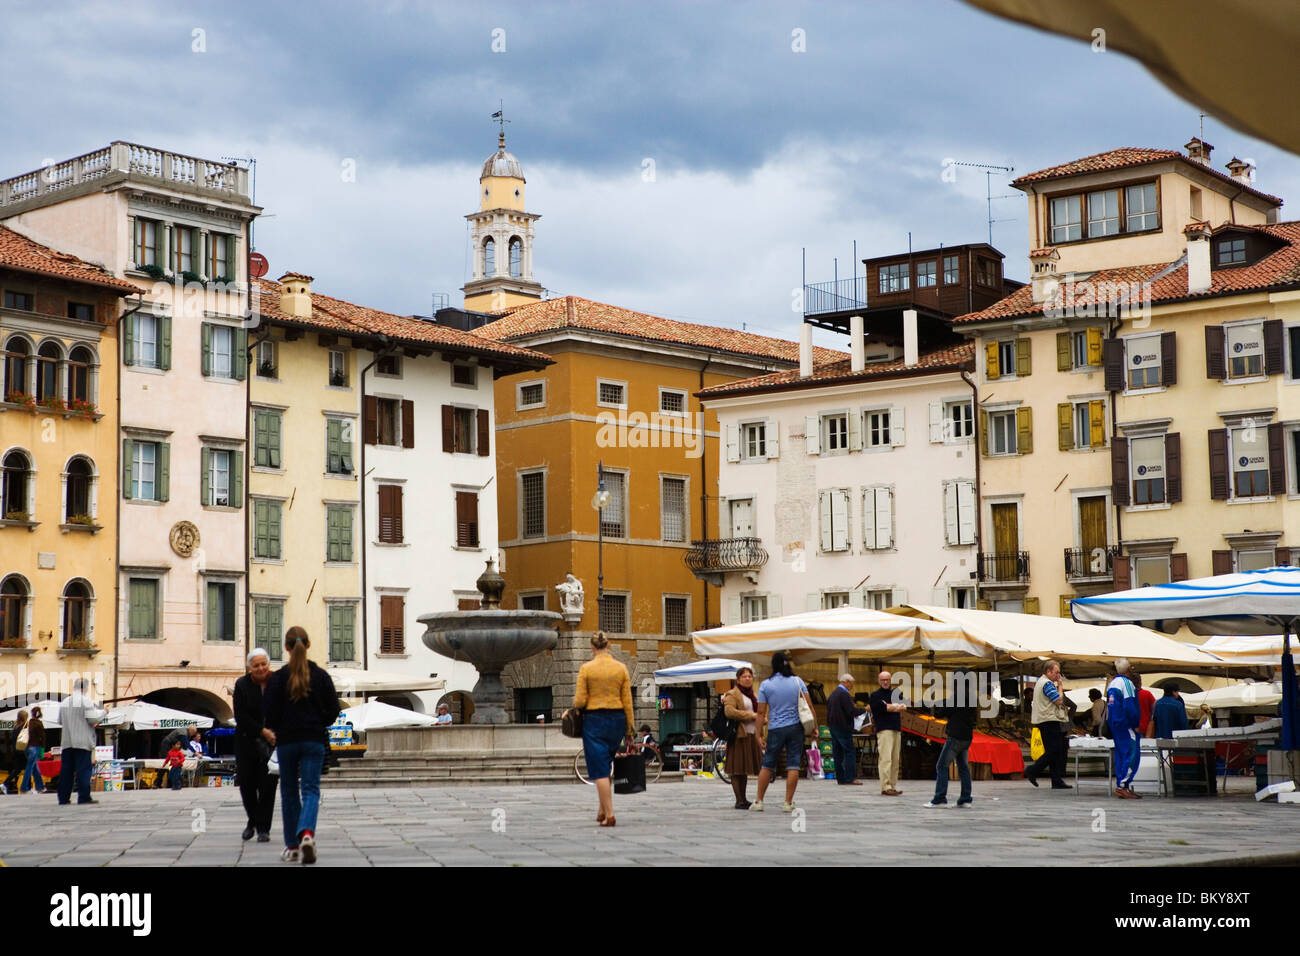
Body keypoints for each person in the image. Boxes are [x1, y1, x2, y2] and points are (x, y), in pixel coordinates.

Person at [265, 626, 341, 863]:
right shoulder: (321, 676)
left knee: (288, 792)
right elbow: (334, 710)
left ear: (286, 648)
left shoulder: (277, 679)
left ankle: (293, 846)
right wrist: (319, 723)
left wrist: (279, 728)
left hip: (287, 741)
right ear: (308, 645)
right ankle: (307, 833)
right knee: (310, 790)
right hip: (314, 740)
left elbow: (269, 713)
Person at [567, 631, 634, 827]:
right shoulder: (621, 668)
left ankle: (610, 814)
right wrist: (630, 730)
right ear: (609, 645)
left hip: (594, 720)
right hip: (617, 719)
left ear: (592, 647)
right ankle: (601, 810)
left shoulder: (587, 668)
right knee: (607, 763)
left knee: (600, 769)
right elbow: (628, 702)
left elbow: (579, 700)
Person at [751, 651, 815, 812]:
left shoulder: (766, 685)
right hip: (795, 727)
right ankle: (788, 802)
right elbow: (809, 705)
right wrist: (814, 727)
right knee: (793, 765)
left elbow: (760, 713)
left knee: (767, 764)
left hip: (775, 728)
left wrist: (758, 734)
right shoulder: (797, 681)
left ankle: (759, 801)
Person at [234, 648, 279, 843]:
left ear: (268, 664)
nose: (260, 668)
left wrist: (276, 733)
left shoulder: (278, 682)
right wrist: (262, 731)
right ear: (249, 668)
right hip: (247, 741)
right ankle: (252, 820)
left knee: (268, 786)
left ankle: (263, 829)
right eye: (256, 665)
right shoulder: (242, 685)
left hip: (272, 743)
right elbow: (240, 716)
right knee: (247, 785)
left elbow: (284, 708)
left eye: (263, 664)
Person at [926, 669, 979, 808]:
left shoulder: (956, 696)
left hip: (955, 736)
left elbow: (942, 713)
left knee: (942, 765)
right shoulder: (973, 696)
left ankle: (939, 798)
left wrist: (940, 704)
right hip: (967, 736)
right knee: (963, 767)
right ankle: (966, 798)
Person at [1024, 661, 1072, 790]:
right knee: (1055, 749)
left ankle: (1056, 780)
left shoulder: (1041, 682)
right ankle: (1033, 770)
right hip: (1048, 720)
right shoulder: (1047, 684)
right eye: (1056, 672)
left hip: (1044, 720)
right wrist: (1060, 686)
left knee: (1054, 751)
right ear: (1048, 672)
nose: (1058, 675)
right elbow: (1059, 700)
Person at [58, 678, 105, 805]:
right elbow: (93, 719)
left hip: (67, 742)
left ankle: (63, 798)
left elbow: (60, 721)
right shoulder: (86, 701)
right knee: (83, 770)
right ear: (86, 687)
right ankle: (83, 796)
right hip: (82, 741)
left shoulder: (65, 702)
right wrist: (104, 712)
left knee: (66, 771)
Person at [722, 666, 761, 808]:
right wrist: (751, 715)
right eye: (744, 676)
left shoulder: (753, 694)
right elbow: (729, 711)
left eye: (750, 676)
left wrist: (762, 719)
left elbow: (758, 712)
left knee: (744, 769)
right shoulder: (733, 693)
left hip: (751, 734)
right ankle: (739, 800)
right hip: (739, 735)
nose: (747, 679)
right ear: (738, 679)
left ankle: (743, 799)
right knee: (736, 769)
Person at [868, 670, 908, 796]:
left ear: (891, 680)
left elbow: (905, 706)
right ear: (879, 681)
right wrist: (895, 706)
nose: (885, 682)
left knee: (895, 759)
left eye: (887, 679)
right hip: (884, 729)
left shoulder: (896, 693)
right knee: (886, 759)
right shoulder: (874, 696)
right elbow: (882, 708)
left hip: (896, 728)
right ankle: (885, 786)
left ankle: (892, 785)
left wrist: (890, 706)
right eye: (883, 680)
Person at [1107, 658, 1142, 799]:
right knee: (1131, 754)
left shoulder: (1112, 683)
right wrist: (1135, 724)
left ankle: (1122, 785)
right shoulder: (1127, 684)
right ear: (1129, 670)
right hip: (1126, 724)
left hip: (1115, 724)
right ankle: (1123, 784)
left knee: (1121, 755)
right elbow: (1129, 706)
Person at [826, 674, 865, 786]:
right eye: (851, 683)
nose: (852, 686)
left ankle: (840, 778)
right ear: (847, 681)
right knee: (849, 751)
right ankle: (850, 777)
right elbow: (851, 711)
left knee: (837, 752)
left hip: (833, 726)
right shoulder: (844, 694)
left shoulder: (833, 694)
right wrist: (864, 709)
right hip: (842, 727)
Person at [19, 707, 46, 795]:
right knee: (30, 767)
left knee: (34, 767)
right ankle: (24, 788)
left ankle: (40, 787)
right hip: (35, 747)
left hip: (26, 747)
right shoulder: (39, 723)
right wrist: (42, 749)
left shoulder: (28, 722)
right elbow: (42, 737)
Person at [2, 709, 27, 794]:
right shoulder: (23, 727)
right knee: (30, 768)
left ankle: (5, 784)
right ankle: (27, 787)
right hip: (22, 751)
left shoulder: (15, 727)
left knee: (17, 770)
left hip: (16, 751)